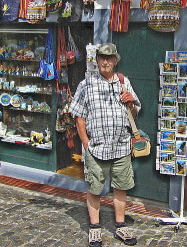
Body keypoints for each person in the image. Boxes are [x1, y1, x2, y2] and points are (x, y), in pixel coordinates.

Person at [70, 43, 141, 247]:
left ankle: (120, 226)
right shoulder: (87, 84)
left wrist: (131, 102)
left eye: (109, 58)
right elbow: (79, 115)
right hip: (97, 147)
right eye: (102, 57)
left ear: (115, 61)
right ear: (97, 60)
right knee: (95, 188)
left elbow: (135, 112)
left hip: (121, 145)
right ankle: (94, 229)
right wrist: (85, 142)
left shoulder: (123, 81)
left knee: (121, 187)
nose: (105, 61)